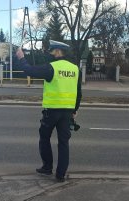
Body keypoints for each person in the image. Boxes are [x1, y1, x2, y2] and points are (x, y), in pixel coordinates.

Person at [16, 40, 82, 182]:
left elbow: (29, 70)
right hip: (67, 112)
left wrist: (21, 57)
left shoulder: (51, 67)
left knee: (44, 137)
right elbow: (78, 92)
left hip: (52, 111)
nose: (50, 53)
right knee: (64, 143)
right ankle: (61, 175)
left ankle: (47, 168)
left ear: (58, 51)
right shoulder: (75, 69)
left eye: (52, 50)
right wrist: (75, 109)